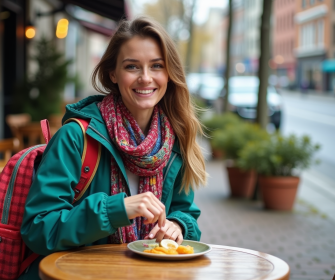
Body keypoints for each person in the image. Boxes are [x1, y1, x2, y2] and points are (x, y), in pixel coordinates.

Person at [19, 16, 208, 279]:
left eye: (156, 66)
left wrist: (178, 225)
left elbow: (185, 211)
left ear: (169, 74)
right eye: (132, 67)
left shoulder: (172, 141)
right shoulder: (76, 137)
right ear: (113, 74)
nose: (145, 78)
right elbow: (39, 229)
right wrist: (118, 209)